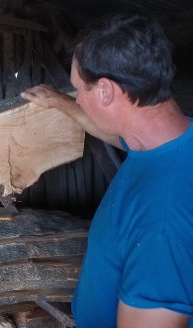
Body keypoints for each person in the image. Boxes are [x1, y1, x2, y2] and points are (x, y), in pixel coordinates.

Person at [21, 14, 193, 327]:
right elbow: (124, 138)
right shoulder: (172, 141)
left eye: (77, 89)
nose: (77, 98)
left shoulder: (161, 224)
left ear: (105, 91)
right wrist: (62, 103)